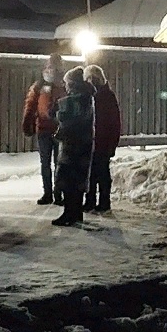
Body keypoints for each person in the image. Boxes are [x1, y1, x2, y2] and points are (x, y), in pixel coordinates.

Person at [52, 66, 96, 226]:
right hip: (81, 144)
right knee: (75, 180)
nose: (65, 86)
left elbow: (71, 119)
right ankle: (74, 213)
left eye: (67, 83)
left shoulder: (80, 99)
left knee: (70, 180)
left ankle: (70, 213)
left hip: (75, 145)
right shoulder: (84, 97)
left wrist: (59, 111)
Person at [22, 53, 66, 205]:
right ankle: (48, 193)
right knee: (46, 163)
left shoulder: (64, 83)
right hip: (43, 128)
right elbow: (31, 103)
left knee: (58, 163)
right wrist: (28, 120)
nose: (51, 69)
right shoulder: (40, 85)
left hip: (59, 129)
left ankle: (58, 193)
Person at [83, 64, 120, 213]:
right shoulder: (91, 96)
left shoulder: (106, 96)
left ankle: (104, 202)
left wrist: (112, 144)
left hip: (102, 141)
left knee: (102, 173)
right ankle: (90, 200)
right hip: (92, 141)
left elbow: (114, 122)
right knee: (91, 174)